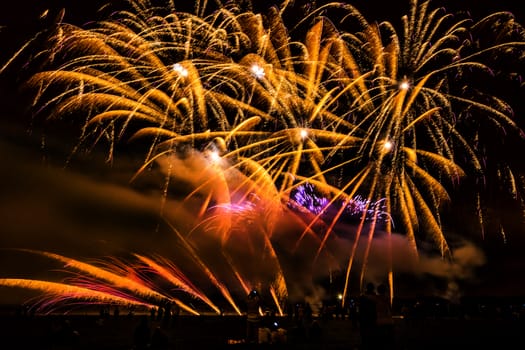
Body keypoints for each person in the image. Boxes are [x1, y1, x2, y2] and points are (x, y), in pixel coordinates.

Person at [358, 282, 377, 350]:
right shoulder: (375, 297)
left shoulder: (362, 296)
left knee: (364, 332)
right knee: (371, 332)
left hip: (364, 317)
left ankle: (365, 344)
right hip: (372, 317)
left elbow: (360, 307)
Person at [375, 284, 394, 350]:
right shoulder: (387, 298)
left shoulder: (376, 298)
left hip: (380, 320)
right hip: (388, 320)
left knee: (380, 337)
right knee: (388, 337)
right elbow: (389, 309)